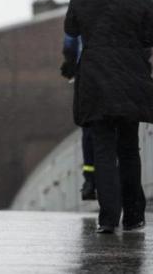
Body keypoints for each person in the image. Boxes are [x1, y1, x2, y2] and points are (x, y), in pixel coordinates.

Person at [63, 0, 153, 234]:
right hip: (130, 76)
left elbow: (71, 28)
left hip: (95, 78)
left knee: (103, 149)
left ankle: (108, 218)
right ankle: (134, 216)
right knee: (129, 149)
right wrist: (132, 40)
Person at [61, 34, 96, 201]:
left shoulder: (80, 8)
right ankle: (126, 181)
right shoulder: (127, 8)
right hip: (121, 75)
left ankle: (90, 181)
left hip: (87, 76)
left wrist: (70, 63)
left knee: (88, 125)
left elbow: (69, 41)